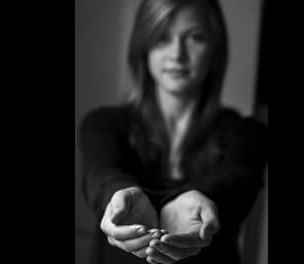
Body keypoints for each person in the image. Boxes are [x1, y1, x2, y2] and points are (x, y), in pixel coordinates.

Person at [78, 0, 267, 263]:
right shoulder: (102, 124)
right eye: (162, 38)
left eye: (195, 38)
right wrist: (118, 196)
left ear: (215, 49)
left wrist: (204, 199)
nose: (177, 54)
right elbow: (101, 175)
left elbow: (235, 184)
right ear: (143, 46)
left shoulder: (249, 134)